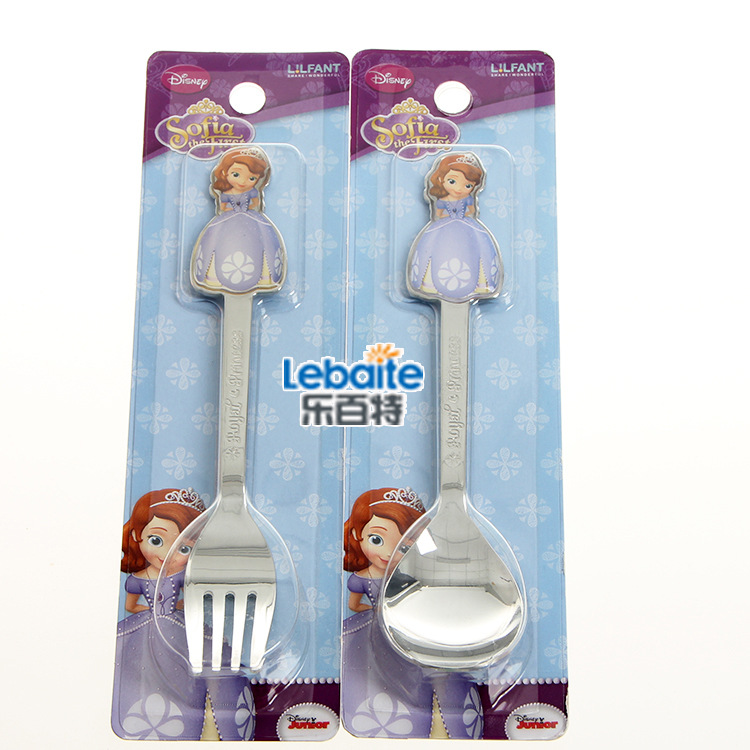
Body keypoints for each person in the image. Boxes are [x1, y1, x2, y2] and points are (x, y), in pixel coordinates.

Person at [112, 488, 255, 740]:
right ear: (136, 535)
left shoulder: (181, 577)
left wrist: (178, 609)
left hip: (180, 626)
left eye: (184, 548)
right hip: (145, 627)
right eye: (156, 540)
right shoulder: (136, 580)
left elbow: (191, 599)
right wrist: (154, 614)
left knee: (203, 665)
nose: (167, 554)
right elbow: (131, 606)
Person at [342, 487, 483, 739]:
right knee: (373, 673)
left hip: (410, 623)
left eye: (404, 547)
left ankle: (445, 722)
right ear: (356, 534)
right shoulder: (361, 578)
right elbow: (354, 605)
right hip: (372, 629)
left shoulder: (408, 576)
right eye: (376, 539)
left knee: (432, 673)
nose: (389, 553)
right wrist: (376, 613)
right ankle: (383, 719)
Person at [407, 152, 502, 303]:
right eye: (452, 181)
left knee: (478, 250)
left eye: (468, 185)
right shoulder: (441, 201)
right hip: (444, 227)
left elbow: (471, 211)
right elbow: (439, 214)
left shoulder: (468, 200)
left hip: (467, 227)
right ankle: (431, 285)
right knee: (435, 249)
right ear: (441, 179)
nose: (459, 188)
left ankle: (480, 284)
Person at [191, 146, 286, 294]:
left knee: (263, 242)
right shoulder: (225, 194)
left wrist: (251, 209)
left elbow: (255, 203)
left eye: (252, 178)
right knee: (216, 242)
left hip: (251, 219)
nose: (243, 181)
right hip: (227, 220)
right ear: (225, 173)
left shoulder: (253, 192)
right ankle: (215, 279)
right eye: (236, 174)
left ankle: (263, 278)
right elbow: (223, 206)